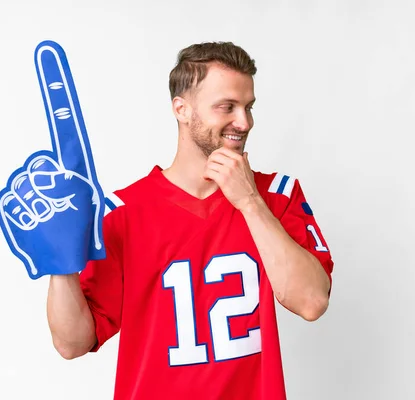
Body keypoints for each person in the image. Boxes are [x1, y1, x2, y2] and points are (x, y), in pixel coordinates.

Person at [46, 41, 334, 400]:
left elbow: (312, 302)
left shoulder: (277, 195)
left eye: (248, 107)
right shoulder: (122, 213)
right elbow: (73, 343)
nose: (244, 122)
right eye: (226, 107)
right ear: (181, 109)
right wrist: (60, 262)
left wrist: (249, 202)